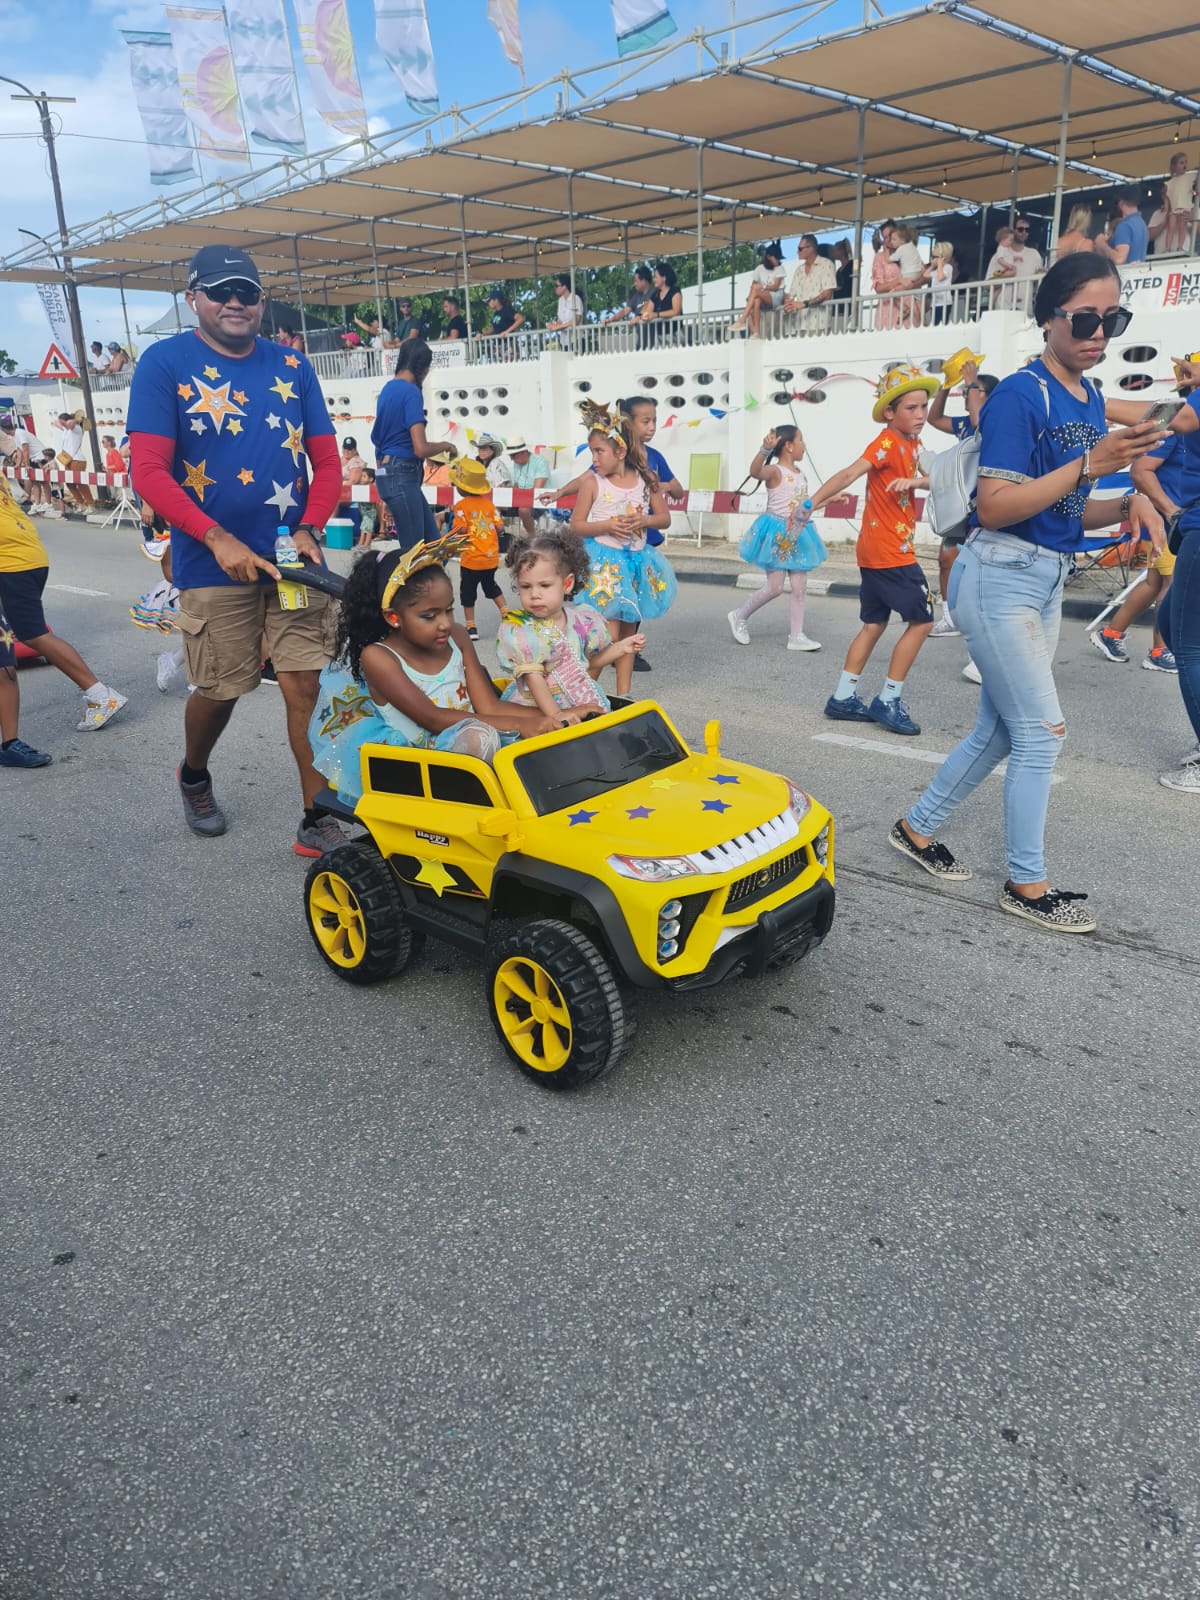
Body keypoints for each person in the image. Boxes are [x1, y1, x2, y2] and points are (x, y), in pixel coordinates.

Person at [889, 255, 1166, 929]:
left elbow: (1068, 512)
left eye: (1114, 319)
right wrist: (1088, 467)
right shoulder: (1020, 395)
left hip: (1043, 575)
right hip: (999, 574)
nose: (1100, 333)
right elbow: (996, 506)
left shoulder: (1089, 397)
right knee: (1043, 734)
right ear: (1049, 320)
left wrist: (1125, 503)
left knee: (1001, 729)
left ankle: (916, 829)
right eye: (1086, 319)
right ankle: (1026, 885)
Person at [128, 243, 343, 852]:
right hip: (209, 561)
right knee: (222, 688)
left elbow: (326, 462)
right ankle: (193, 773)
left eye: (246, 292)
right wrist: (215, 536)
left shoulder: (294, 367)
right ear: (192, 297)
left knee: (306, 683)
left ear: (261, 300)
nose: (233, 302)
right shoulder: (164, 364)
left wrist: (310, 527)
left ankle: (315, 814)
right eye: (220, 291)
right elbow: (148, 471)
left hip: (294, 560)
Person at [307, 536, 560, 802]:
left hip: (471, 740)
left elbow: (490, 707)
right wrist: (524, 724)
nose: (444, 623)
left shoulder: (458, 637)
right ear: (393, 617)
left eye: (448, 610)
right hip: (422, 761)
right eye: (429, 616)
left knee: (543, 733)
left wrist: (554, 716)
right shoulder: (379, 657)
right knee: (480, 737)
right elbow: (433, 718)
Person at [812, 364, 940, 737]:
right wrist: (811, 503)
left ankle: (843, 697)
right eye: (911, 408)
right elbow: (849, 473)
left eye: (923, 406)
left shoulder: (913, 444)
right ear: (889, 412)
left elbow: (940, 478)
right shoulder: (886, 443)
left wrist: (916, 479)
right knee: (924, 621)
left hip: (875, 550)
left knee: (874, 622)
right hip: (890, 552)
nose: (921, 415)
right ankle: (888, 699)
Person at [0, 471, 126, 733]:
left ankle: (100, 695)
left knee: (33, 635)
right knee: (28, 633)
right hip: (29, 555)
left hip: (11, 562)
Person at [570, 400, 674, 697]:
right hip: (605, 566)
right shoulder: (593, 483)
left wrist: (645, 519)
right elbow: (576, 525)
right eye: (592, 451)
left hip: (638, 563)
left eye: (599, 451)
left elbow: (664, 518)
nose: (595, 458)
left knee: (629, 632)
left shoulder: (647, 480)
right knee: (608, 634)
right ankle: (583, 692)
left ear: (620, 451)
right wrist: (606, 526)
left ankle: (623, 694)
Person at [498, 527, 637, 716]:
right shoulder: (523, 630)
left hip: (575, 700)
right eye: (525, 586)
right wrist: (556, 716)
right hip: (537, 709)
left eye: (545, 585)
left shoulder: (580, 620)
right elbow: (533, 677)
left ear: (567, 584)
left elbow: (587, 664)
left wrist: (620, 649)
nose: (535, 595)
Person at [728, 426, 825, 651]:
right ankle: (739, 615)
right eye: (801, 440)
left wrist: (830, 500)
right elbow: (755, 472)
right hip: (776, 533)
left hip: (798, 532)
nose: (804, 445)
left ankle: (796, 635)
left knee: (800, 586)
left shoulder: (802, 474)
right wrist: (764, 450)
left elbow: (805, 505)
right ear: (789, 446)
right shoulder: (774, 471)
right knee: (775, 587)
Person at [925, 355, 998, 657]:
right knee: (946, 560)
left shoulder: (992, 419)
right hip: (959, 507)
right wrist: (946, 385)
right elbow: (933, 418)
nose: (966, 396)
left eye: (973, 391)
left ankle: (982, 628)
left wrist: (971, 381)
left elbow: (981, 422)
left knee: (978, 570)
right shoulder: (963, 425)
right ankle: (949, 617)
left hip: (984, 506)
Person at [1154, 354, 1200, 789]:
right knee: (1169, 623)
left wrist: (1097, 401)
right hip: (1189, 524)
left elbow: (1177, 421)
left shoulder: (1193, 407)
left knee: (1187, 647)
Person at [371, 339, 458, 552]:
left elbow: (378, 442)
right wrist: (446, 446)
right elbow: (420, 448)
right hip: (403, 474)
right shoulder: (411, 393)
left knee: (435, 550)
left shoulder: (387, 390)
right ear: (424, 368)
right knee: (418, 555)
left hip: (388, 473)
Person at [447, 456, 506, 640]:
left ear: (461, 487)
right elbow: (500, 527)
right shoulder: (489, 504)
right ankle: (507, 614)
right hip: (489, 557)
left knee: (468, 592)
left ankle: (471, 627)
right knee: (491, 586)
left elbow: (462, 529)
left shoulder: (460, 506)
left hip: (471, 559)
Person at [784, 235, 837, 331]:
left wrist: (805, 304)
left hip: (820, 325)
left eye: (800, 249)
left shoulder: (826, 264)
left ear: (811, 248)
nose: (797, 252)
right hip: (800, 326)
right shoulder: (799, 270)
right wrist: (788, 305)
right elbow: (791, 295)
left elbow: (827, 294)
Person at [732, 243, 785, 337]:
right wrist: (750, 298)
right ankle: (756, 332)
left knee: (756, 290)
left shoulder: (780, 268)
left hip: (776, 296)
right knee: (755, 300)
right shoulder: (760, 268)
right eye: (776, 258)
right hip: (763, 295)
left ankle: (742, 319)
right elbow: (753, 285)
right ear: (768, 257)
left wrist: (762, 287)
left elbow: (776, 286)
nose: (778, 260)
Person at [506, 435, 550, 535]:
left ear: (523, 452)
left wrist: (520, 497)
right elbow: (516, 485)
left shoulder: (540, 462)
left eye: (512, 456)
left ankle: (532, 537)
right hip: (522, 499)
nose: (511, 459)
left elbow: (537, 490)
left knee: (523, 510)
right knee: (497, 505)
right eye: (511, 456)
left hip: (541, 499)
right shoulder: (517, 464)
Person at [1095, 189, 1149, 266]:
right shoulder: (1142, 224)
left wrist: (1102, 244)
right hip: (1139, 273)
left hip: (1125, 275)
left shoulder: (1125, 226)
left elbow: (1119, 259)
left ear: (1121, 204)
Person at [53, 412, 93, 513]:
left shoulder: (76, 428)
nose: (63, 425)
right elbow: (56, 422)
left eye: (64, 423)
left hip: (77, 459)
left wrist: (76, 420)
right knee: (70, 483)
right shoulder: (66, 430)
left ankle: (90, 504)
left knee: (80, 483)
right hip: (68, 459)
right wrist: (64, 422)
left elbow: (71, 424)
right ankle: (81, 503)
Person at [888, 223, 926, 326]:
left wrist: (886, 256)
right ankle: (923, 321)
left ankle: (905, 309)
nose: (891, 242)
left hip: (908, 276)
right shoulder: (913, 248)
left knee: (893, 293)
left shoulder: (901, 249)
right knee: (918, 298)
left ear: (902, 240)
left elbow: (891, 259)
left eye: (893, 239)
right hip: (916, 274)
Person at [640, 262, 683, 343]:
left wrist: (656, 314)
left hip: (675, 334)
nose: (654, 280)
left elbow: (676, 311)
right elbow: (647, 312)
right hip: (660, 336)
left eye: (656, 277)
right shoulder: (655, 294)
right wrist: (642, 315)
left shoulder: (675, 291)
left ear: (664, 278)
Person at [870, 224, 902, 329]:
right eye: (885, 238)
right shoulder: (880, 258)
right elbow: (878, 288)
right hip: (888, 307)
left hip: (908, 305)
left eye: (890, 236)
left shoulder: (907, 253)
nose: (888, 240)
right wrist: (899, 281)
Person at [1164, 151, 1197, 255]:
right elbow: (1167, 197)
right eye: (1181, 163)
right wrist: (1166, 206)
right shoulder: (1169, 182)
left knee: (1182, 228)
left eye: (1185, 162)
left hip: (1185, 207)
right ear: (1174, 166)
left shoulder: (1190, 177)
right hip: (1174, 208)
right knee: (1171, 229)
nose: (1184, 165)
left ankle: (1180, 246)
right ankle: (1167, 248)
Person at [338, 435, 366, 542]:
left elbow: (353, 481)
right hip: (342, 489)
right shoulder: (341, 460)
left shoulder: (356, 462)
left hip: (353, 493)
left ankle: (332, 522)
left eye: (350, 449)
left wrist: (341, 484)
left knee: (336, 498)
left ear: (354, 450)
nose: (347, 451)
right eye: (345, 448)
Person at [923, 241, 956, 324]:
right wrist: (932, 266)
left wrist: (940, 264)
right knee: (935, 324)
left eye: (935, 257)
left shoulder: (948, 267)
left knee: (941, 324)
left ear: (942, 257)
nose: (932, 259)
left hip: (944, 302)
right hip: (935, 303)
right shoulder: (937, 270)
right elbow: (925, 275)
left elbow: (940, 277)